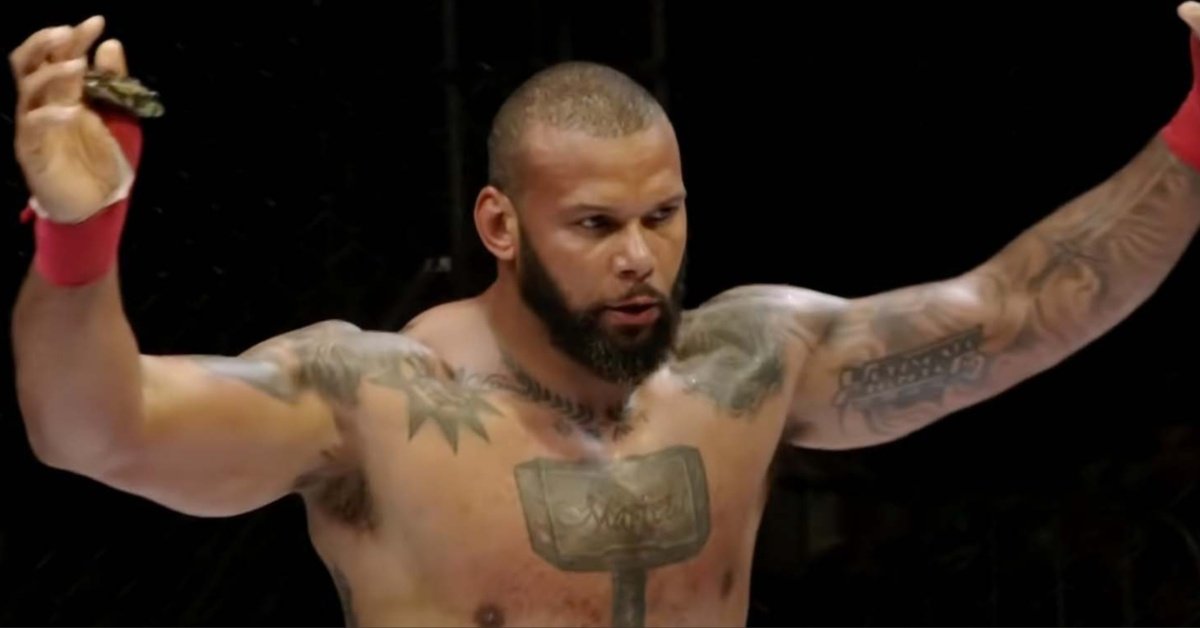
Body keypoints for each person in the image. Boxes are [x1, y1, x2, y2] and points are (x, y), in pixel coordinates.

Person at [10, 5, 1200, 626]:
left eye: (662, 216)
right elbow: (93, 429)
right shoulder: (370, 402)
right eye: (594, 224)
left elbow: (1026, 306)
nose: (641, 258)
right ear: (499, 224)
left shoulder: (751, 364)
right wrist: (80, 238)